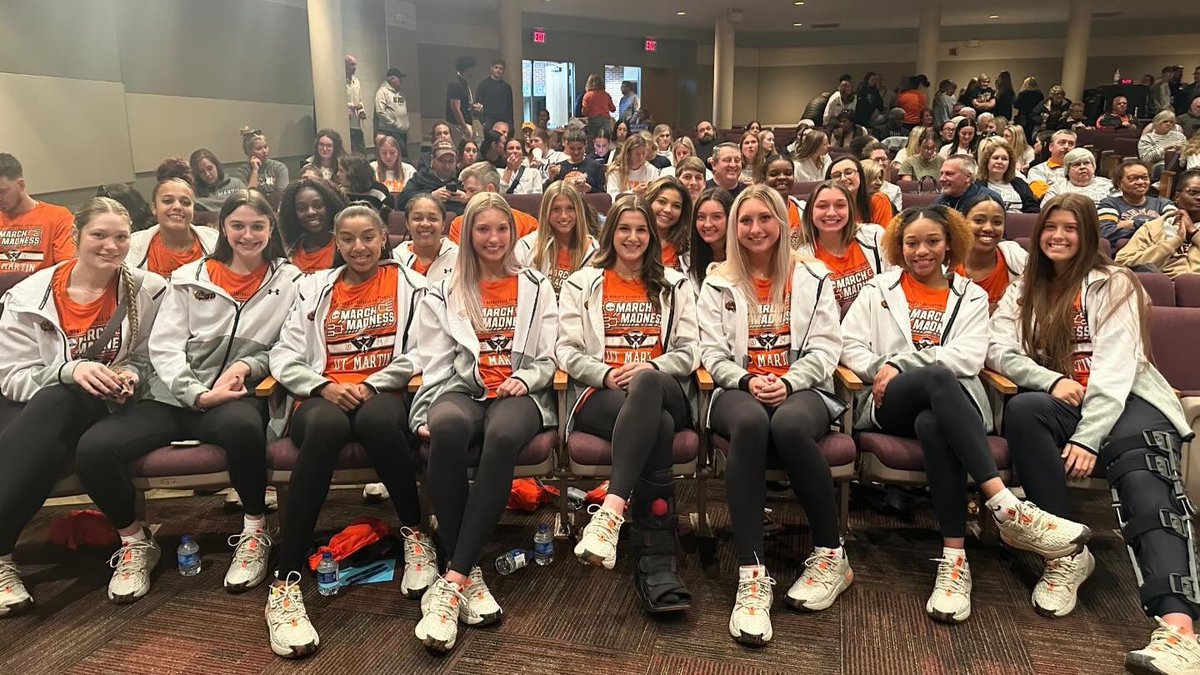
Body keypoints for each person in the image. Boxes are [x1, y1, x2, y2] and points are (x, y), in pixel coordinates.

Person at [841, 204, 1092, 625]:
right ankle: (1004, 504)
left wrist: (903, 361)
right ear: (898, 247)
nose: (922, 251)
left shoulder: (971, 294)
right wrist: (890, 369)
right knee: (937, 377)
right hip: (889, 404)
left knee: (933, 421)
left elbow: (971, 356)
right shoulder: (876, 290)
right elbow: (851, 348)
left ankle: (954, 559)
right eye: (912, 243)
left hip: (953, 406)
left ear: (950, 243)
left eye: (933, 242)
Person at [988, 193, 1200, 673]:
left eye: (1071, 229)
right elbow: (999, 350)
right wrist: (1050, 379)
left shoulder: (1115, 283)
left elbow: (1116, 367)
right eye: (1050, 228)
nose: (1058, 237)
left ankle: (1179, 628)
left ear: (1088, 238)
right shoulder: (1025, 287)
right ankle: (1066, 551)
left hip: (1128, 401)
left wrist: (1088, 436)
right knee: (1024, 410)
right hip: (1069, 400)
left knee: (1146, 482)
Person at [76, 189, 293, 605]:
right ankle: (135, 540)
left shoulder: (291, 279)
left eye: (257, 226)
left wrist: (249, 367)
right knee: (94, 448)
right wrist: (196, 393)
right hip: (172, 394)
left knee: (247, 429)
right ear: (222, 229)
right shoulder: (191, 276)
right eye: (237, 226)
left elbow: (289, 345)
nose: (247, 235)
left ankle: (254, 530)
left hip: (234, 393)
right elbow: (165, 345)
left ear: (271, 229)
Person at [264, 205, 429, 658]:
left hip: (382, 394)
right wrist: (322, 385)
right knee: (325, 426)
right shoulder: (315, 289)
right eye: (349, 239)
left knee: (378, 421)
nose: (359, 247)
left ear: (383, 239)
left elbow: (423, 349)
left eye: (368, 237)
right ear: (337, 242)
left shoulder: (409, 285)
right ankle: (286, 578)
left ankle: (415, 535)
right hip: (321, 398)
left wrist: (374, 383)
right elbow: (284, 354)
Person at [696, 184, 848, 645]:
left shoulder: (814, 276)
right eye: (745, 220)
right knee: (750, 422)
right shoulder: (718, 280)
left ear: (783, 224)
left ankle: (832, 555)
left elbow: (827, 347)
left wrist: (789, 380)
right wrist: (746, 380)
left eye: (765, 219)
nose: (755, 229)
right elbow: (711, 351)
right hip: (736, 389)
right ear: (733, 228)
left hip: (801, 387)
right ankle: (752, 573)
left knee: (786, 423)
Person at [0, 197, 166, 617]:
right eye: (98, 235)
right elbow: (11, 377)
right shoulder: (28, 297)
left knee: (55, 417)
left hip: (110, 406)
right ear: (75, 238)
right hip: (40, 405)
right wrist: (67, 372)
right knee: (56, 417)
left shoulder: (147, 289)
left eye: (121, 237)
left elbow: (152, 357)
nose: (110, 246)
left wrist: (131, 375)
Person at [410, 192, 558, 653]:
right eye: (483, 229)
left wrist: (526, 377)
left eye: (501, 230)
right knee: (448, 429)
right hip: (462, 389)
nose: (493, 238)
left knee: (501, 436)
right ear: (468, 234)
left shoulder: (537, 284)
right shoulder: (444, 289)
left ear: (514, 235)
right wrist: (421, 413)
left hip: (521, 392)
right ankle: (468, 573)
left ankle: (452, 576)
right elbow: (434, 364)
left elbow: (549, 356)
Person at [560, 193, 698, 613]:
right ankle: (656, 556)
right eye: (624, 228)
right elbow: (565, 350)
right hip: (603, 394)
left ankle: (612, 508)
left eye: (641, 230)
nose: (633, 237)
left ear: (652, 235)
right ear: (610, 233)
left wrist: (649, 366)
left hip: (665, 386)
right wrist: (604, 374)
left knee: (648, 386)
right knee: (653, 425)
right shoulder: (582, 284)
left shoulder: (674, 284)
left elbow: (690, 351)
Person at [794, 181, 890, 310]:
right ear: (810, 212)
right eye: (822, 206)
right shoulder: (802, 259)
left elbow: (894, 284)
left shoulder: (874, 236)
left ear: (850, 209)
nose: (831, 213)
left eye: (840, 205)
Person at [127, 159, 219, 277]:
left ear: (193, 209)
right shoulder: (132, 246)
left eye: (185, 202)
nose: (177, 207)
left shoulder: (215, 242)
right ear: (154, 208)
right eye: (168, 201)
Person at [514, 181, 597, 294]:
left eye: (570, 208)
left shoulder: (593, 251)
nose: (563, 216)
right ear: (546, 212)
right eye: (556, 209)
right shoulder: (526, 247)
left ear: (579, 211)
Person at [1115, 170, 1200, 277]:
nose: (1199, 197)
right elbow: (1122, 262)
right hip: (1163, 288)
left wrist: (1194, 233)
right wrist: (1173, 243)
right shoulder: (1153, 227)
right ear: (1177, 197)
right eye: (1193, 192)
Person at [953, 193, 1027, 308]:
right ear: (962, 223)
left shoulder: (1019, 260)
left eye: (997, 222)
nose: (988, 228)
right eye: (979, 221)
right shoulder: (946, 267)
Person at [1098, 158, 1177, 247]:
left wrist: (1134, 224)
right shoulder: (1109, 204)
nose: (1140, 182)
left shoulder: (1164, 203)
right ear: (1119, 183)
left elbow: (1175, 228)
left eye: (1145, 177)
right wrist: (1156, 226)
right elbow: (1106, 233)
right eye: (1133, 178)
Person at [278, 177, 346, 274]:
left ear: (329, 206)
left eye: (318, 205)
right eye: (302, 208)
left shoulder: (345, 246)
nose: (311, 212)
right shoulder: (288, 250)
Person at [393, 193, 459, 284]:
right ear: (407, 224)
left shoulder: (459, 258)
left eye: (433, 219)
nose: (425, 224)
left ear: (443, 224)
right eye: (417, 218)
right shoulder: (395, 260)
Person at [397, 140, 467, 216]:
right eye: (442, 161)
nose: (446, 166)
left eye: (451, 161)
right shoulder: (420, 178)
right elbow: (402, 201)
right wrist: (430, 196)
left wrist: (466, 201)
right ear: (432, 159)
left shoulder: (463, 180)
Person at [644, 177, 693, 272]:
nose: (668, 210)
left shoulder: (687, 247)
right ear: (649, 202)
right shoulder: (633, 241)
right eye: (662, 202)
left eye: (676, 206)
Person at [827, 156, 893, 226]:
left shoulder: (878, 200)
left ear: (860, 176)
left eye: (848, 172)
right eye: (836, 175)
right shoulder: (823, 205)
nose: (843, 178)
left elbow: (882, 236)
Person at [976, 140, 1039, 213]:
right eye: (996, 158)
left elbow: (1033, 209)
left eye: (1004, 159)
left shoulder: (1020, 183)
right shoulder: (976, 186)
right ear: (987, 161)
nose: (1000, 162)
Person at [687, 187, 732, 288]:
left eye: (716, 217)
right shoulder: (690, 258)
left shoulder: (743, 257)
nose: (707, 224)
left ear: (730, 218)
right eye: (701, 217)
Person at [1042, 148, 1115, 205]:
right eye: (1076, 164)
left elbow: (1122, 208)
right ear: (1067, 170)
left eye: (1086, 163)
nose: (1082, 167)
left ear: (1093, 166)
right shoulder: (1057, 188)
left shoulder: (1109, 185)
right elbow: (1046, 211)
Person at [936, 155, 1002, 214]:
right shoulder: (941, 200)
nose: (941, 179)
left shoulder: (990, 200)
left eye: (949, 174)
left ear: (967, 177)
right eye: (942, 173)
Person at [233, 128, 289, 196]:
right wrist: (255, 171)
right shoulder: (242, 172)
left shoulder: (279, 167)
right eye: (259, 149)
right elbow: (246, 197)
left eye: (265, 147)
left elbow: (281, 194)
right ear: (249, 152)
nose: (264, 151)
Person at [190, 149, 247, 213]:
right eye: (201, 172)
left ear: (216, 166)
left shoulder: (236, 184)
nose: (207, 174)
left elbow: (249, 205)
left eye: (210, 168)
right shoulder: (194, 192)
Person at [1027, 129, 1077, 198]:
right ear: (1051, 147)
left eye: (1071, 144)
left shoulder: (1082, 168)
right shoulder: (1037, 170)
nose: (1066, 146)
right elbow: (1044, 195)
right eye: (1062, 143)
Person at [762, 155, 806, 230]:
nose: (782, 177)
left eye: (788, 173)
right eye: (774, 174)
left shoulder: (804, 208)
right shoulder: (755, 209)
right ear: (764, 179)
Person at [374, 68, 411, 154]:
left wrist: (407, 123)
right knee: (397, 155)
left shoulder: (400, 94)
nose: (401, 80)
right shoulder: (382, 92)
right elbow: (380, 112)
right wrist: (394, 124)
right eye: (399, 78)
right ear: (391, 79)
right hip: (390, 131)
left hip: (402, 132)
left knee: (403, 156)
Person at [861, 142, 903, 211]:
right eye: (876, 160)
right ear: (867, 162)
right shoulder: (858, 186)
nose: (880, 163)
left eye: (883, 159)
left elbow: (896, 217)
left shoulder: (894, 190)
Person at [446, 56, 479, 142]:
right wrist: (464, 127)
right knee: (461, 149)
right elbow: (455, 108)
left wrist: (472, 107)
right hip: (458, 125)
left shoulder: (463, 83)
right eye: (473, 68)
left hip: (463, 123)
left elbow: (463, 104)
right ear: (468, 69)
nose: (475, 71)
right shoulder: (456, 84)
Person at [476, 59, 513, 132]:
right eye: (496, 67)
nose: (498, 70)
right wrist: (483, 122)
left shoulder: (507, 87)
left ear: (503, 71)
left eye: (501, 68)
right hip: (489, 120)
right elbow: (477, 104)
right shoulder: (483, 84)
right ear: (491, 68)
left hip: (504, 121)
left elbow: (510, 107)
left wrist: (511, 124)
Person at [582, 74, 616, 139]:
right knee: (606, 141)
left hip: (593, 122)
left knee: (592, 142)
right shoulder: (606, 95)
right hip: (605, 121)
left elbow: (584, 112)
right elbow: (613, 109)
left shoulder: (587, 95)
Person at [345, 55, 367, 153]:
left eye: (355, 65)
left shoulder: (356, 81)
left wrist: (362, 111)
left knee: (361, 153)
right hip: (345, 125)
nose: (354, 68)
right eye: (352, 65)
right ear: (344, 66)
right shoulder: (337, 81)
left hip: (356, 123)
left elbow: (359, 99)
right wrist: (349, 107)